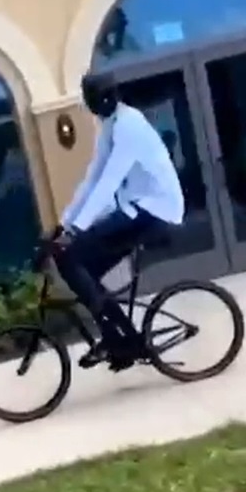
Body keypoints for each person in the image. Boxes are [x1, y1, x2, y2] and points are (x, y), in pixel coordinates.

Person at [50, 70, 186, 370]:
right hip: (136, 208)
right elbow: (92, 178)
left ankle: (115, 339)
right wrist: (65, 223)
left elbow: (109, 182)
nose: (93, 109)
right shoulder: (110, 126)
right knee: (77, 267)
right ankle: (120, 339)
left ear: (107, 98)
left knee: (73, 256)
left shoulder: (130, 126)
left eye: (94, 102)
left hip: (156, 211)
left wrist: (77, 230)